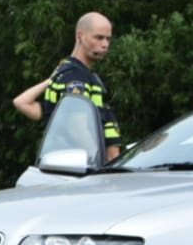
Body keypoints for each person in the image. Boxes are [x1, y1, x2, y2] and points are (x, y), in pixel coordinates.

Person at [13, 11, 122, 159]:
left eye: (108, 39)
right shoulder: (76, 76)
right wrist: (98, 162)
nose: (105, 44)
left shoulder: (69, 73)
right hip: (82, 170)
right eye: (99, 38)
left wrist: (50, 79)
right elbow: (78, 129)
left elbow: (21, 102)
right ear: (80, 36)